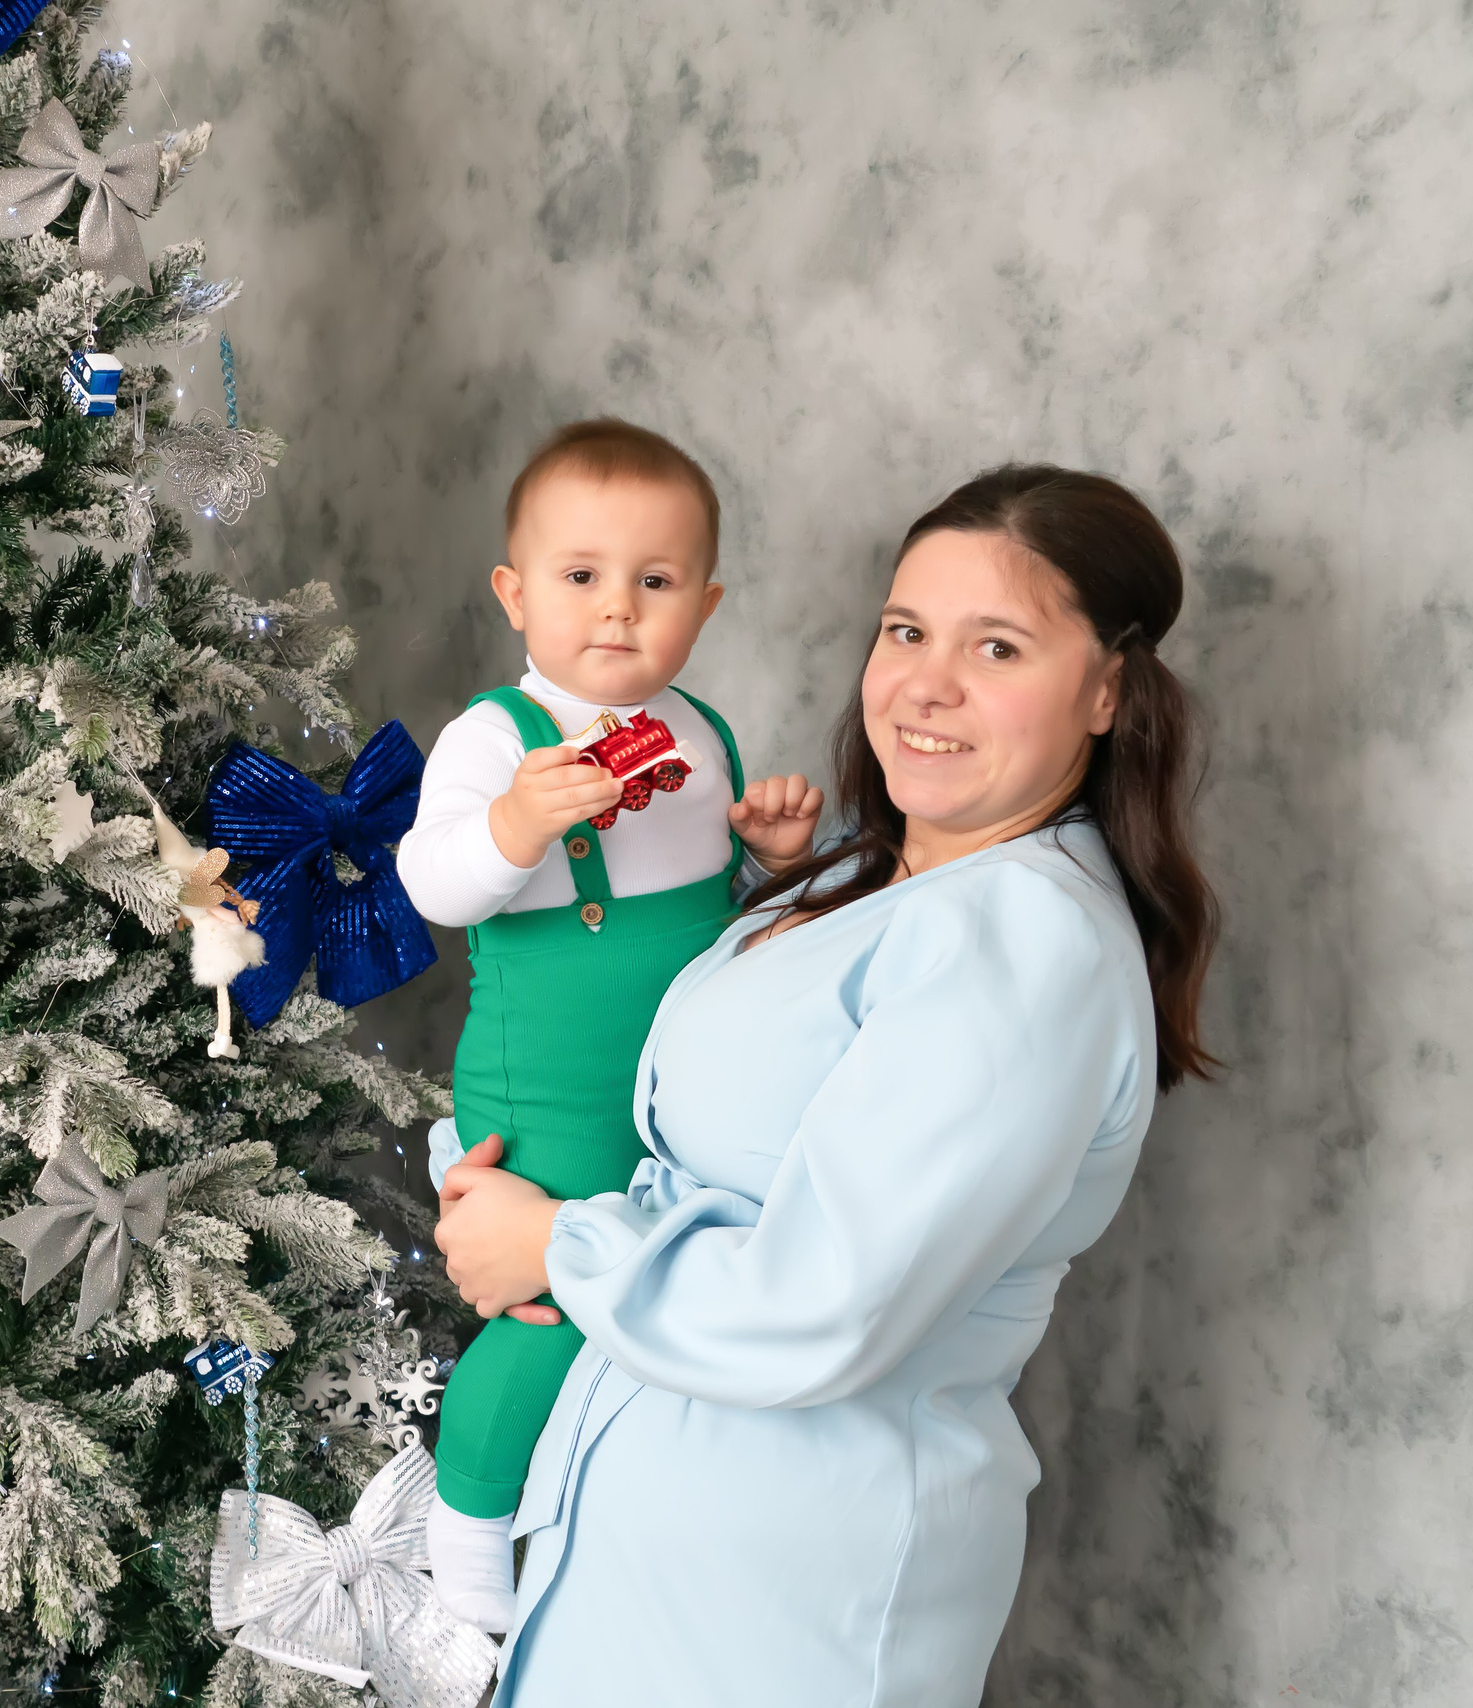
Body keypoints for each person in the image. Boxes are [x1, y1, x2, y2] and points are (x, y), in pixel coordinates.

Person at [429, 464, 1221, 1706]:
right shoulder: (863, 876)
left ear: (1107, 688)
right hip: (650, 1559)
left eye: (998, 646)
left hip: (788, 1603)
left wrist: (554, 1245)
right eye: (905, 630)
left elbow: (824, 1305)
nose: (926, 684)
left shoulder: (1023, 945)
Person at [394, 418, 823, 1630]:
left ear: (706, 602)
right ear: (515, 594)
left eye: (656, 581)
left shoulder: (699, 732)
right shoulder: (496, 739)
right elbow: (432, 888)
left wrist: (777, 863)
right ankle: (468, 1525)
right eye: (581, 578)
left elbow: (719, 922)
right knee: (553, 1304)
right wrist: (520, 824)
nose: (618, 610)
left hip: (682, 1085)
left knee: (649, 1293)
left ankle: (610, 1526)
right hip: (550, 1088)